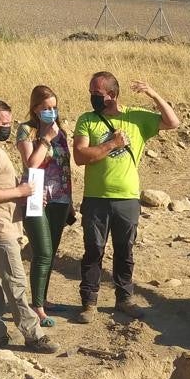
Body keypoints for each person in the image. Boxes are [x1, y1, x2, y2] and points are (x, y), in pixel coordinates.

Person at [72, 71, 180, 322]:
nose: (92, 98)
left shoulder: (135, 117)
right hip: (96, 197)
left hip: (127, 197)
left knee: (124, 250)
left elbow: (173, 122)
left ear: (112, 94)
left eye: (97, 94)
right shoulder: (87, 120)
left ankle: (124, 298)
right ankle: (89, 303)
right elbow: (80, 156)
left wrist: (153, 93)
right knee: (93, 250)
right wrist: (111, 144)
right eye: (91, 93)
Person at [0, 98, 57, 353]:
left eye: (10, 122)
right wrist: (20, 190)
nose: (8, 127)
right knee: (15, 283)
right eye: (3, 123)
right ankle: (33, 335)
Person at [15, 84, 74, 327]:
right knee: (43, 252)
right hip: (35, 195)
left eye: (54, 107)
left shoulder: (61, 132)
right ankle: (36, 307)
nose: (51, 111)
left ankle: (43, 298)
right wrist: (46, 139)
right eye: (46, 108)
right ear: (35, 108)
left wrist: (70, 200)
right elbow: (31, 163)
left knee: (52, 253)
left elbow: (66, 166)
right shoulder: (25, 131)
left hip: (59, 197)